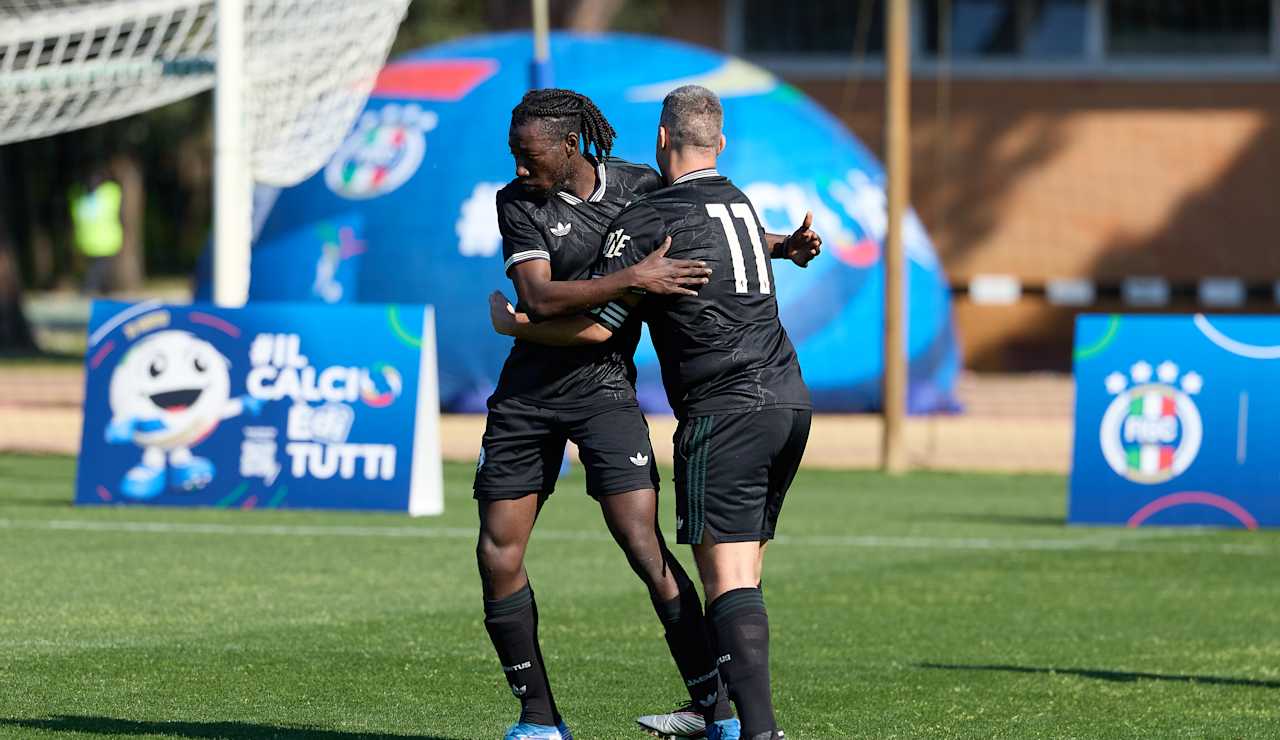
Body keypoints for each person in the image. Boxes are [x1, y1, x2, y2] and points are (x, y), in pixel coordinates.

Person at [489, 85, 813, 740]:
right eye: (514, 154)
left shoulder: (641, 189)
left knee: (652, 549)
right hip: (530, 396)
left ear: (571, 144)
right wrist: (634, 279)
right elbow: (540, 296)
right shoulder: (516, 201)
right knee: (497, 551)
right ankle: (539, 718)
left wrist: (779, 246)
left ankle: (723, 713)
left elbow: (693, 232)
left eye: (530, 154)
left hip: (615, 391)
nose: (520, 168)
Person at [69, 168, 124, 295]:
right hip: (96, 241)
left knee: (99, 268)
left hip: (102, 240)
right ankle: (95, 288)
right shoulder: (110, 194)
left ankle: (93, 288)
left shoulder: (79, 196)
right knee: (98, 269)